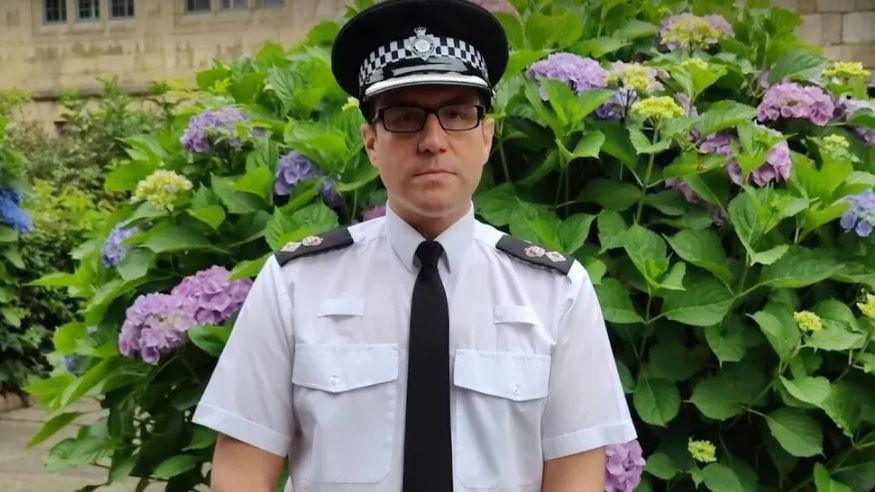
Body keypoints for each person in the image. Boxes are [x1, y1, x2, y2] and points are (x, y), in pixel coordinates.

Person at [192, 0, 637, 491]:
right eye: (405, 117)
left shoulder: (555, 295)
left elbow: (575, 477)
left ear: (487, 136)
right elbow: (241, 472)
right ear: (370, 141)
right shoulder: (295, 286)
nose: (432, 140)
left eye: (456, 114)